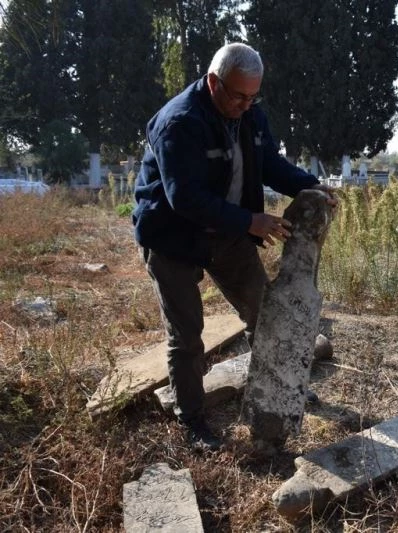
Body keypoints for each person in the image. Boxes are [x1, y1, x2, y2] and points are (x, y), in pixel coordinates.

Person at [132, 43, 336, 451]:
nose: (246, 105)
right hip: (172, 238)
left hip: (226, 238)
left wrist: (309, 187)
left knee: (266, 313)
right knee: (187, 336)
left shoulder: (250, 116)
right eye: (239, 96)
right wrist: (251, 221)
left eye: (253, 96)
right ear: (213, 82)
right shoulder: (180, 122)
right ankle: (192, 420)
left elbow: (271, 165)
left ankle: (281, 390)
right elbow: (184, 198)